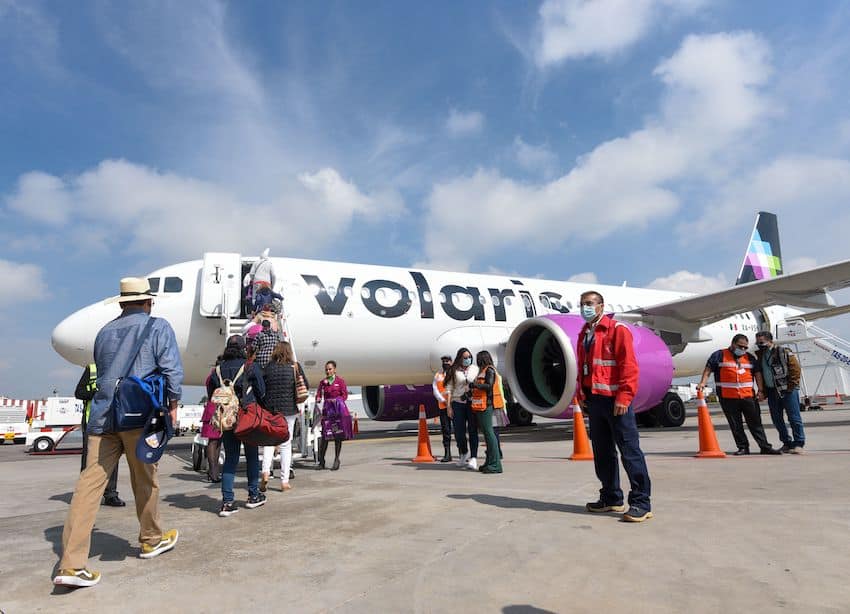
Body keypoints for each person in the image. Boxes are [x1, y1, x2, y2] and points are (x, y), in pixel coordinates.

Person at [54, 277, 183, 588]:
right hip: (138, 417)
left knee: (88, 487)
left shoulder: (104, 332)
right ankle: (151, 539)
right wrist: (174, 406)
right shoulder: (158, 326)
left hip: (102, 418)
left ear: (122, 303)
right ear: (149, 301)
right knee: (145, 480)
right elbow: (171, 371)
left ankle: (70, 565)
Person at [575, 290, 652, 523]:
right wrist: (581, 393)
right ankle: (611, 497)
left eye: (589, 304)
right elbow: (584, 367)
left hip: (616, 400)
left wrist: (625, 397)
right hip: (595, 400)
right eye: (582, 304)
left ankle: (641, 502)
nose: (585, 307)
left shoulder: (617, 330)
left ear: (601, 306)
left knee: (630, 452)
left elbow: (628, 365)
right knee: (603, 453)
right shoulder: (584, 333)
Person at [207, 335, 267, 516]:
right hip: (246, 417)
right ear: (243, 348)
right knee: (252, 457)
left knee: (231, 459)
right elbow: (262, 391)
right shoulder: (249, 366)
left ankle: (227, 502)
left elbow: (211, 393)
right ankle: (253, 496)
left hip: (227, 419)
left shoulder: (217, 370)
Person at [697, 334, 781, 456]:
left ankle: (765, 447)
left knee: (755, 423)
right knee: (735, 424)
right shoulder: (719, 355)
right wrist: (703, 383)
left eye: (745, 347)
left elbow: (757, 374)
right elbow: (709, 368)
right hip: (728, 397)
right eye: (740, 346)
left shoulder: (750, 358)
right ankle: (743, 447)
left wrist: (761, 390)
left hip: (748, 397)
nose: (742, 349)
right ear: (733, 344)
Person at [260, 342, 308, 491]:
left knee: (269, 442)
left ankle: (266, 472)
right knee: (286, 444)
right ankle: (284, 481)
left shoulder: (268, 368)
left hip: (271, 410)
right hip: (289, 410)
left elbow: (261, 388)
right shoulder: (295, 366)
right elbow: (304, 385)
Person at [75, 363, 124, 507]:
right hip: (92, 421)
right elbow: (79, 393)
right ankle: (85, 495)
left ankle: (110, 494)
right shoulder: (92, 369)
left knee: (112, 459)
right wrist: (99, 391)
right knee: (88, 460)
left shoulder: (120, 368)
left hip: (111, 421)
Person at [755, 331, 806, 454]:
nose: (759, 345)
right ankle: (786, 443)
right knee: (777, 419)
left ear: (770, 341)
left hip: (787, 390)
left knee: (794, 418)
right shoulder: (761, 355)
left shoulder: (784, 352)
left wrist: (791, 386)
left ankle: (799, 443)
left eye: (761, 342)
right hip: (772, 391)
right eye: (757, 342)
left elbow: (795, 369)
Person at [444, 347, 479, 471]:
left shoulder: (475, 369)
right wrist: (448, 406)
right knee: (459, 432)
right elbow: (448, 389)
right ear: (459, 358)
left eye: (469, 357)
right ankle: (464, 453)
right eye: (465, 358)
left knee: (473, 430)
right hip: (458, 402)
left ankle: (474, 457)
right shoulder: (454, 371)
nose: (467, 359)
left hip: (471, 402)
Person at [468, 351, 503, 474]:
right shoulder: (482, 371)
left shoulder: (490, 371)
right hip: (481, 406)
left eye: (478, 359)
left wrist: (476, 385)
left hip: (487, 406)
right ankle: (489, 462)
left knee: (489, 434)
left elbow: (489, 385)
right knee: (487, 435)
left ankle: (495, 464)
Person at [315, 360, 352, 470]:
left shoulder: (340, 381)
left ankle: (337, 459)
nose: (328, 371)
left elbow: (344, 395)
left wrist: (336, 401)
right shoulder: (323, 382)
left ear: (334, 369)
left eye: (330, 369)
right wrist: (318, 398)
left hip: (337, 412)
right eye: (326, 369)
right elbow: (318, 394)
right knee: (325, 436)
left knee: (337, 436)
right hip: (327, 412)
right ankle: (321, 461)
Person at [200, 368, 222, 482]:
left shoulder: (210, 376)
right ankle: (213, 472)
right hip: (216, 409)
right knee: (214, 442)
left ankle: (213, 471)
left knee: (216, 442)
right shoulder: (217, 376)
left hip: (211, 408)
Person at [432, 355, 454, 462]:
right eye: (444, 361)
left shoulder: (455, 374)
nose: (445, 363)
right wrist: (443, 400)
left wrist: (450, 401)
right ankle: (447, 454)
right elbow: (435, 389)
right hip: (443, 406)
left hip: (455, 405)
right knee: (446, 431)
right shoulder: (438, 375)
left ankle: (463, 453)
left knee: (460, 430)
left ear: (451, 362)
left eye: (447, 361)